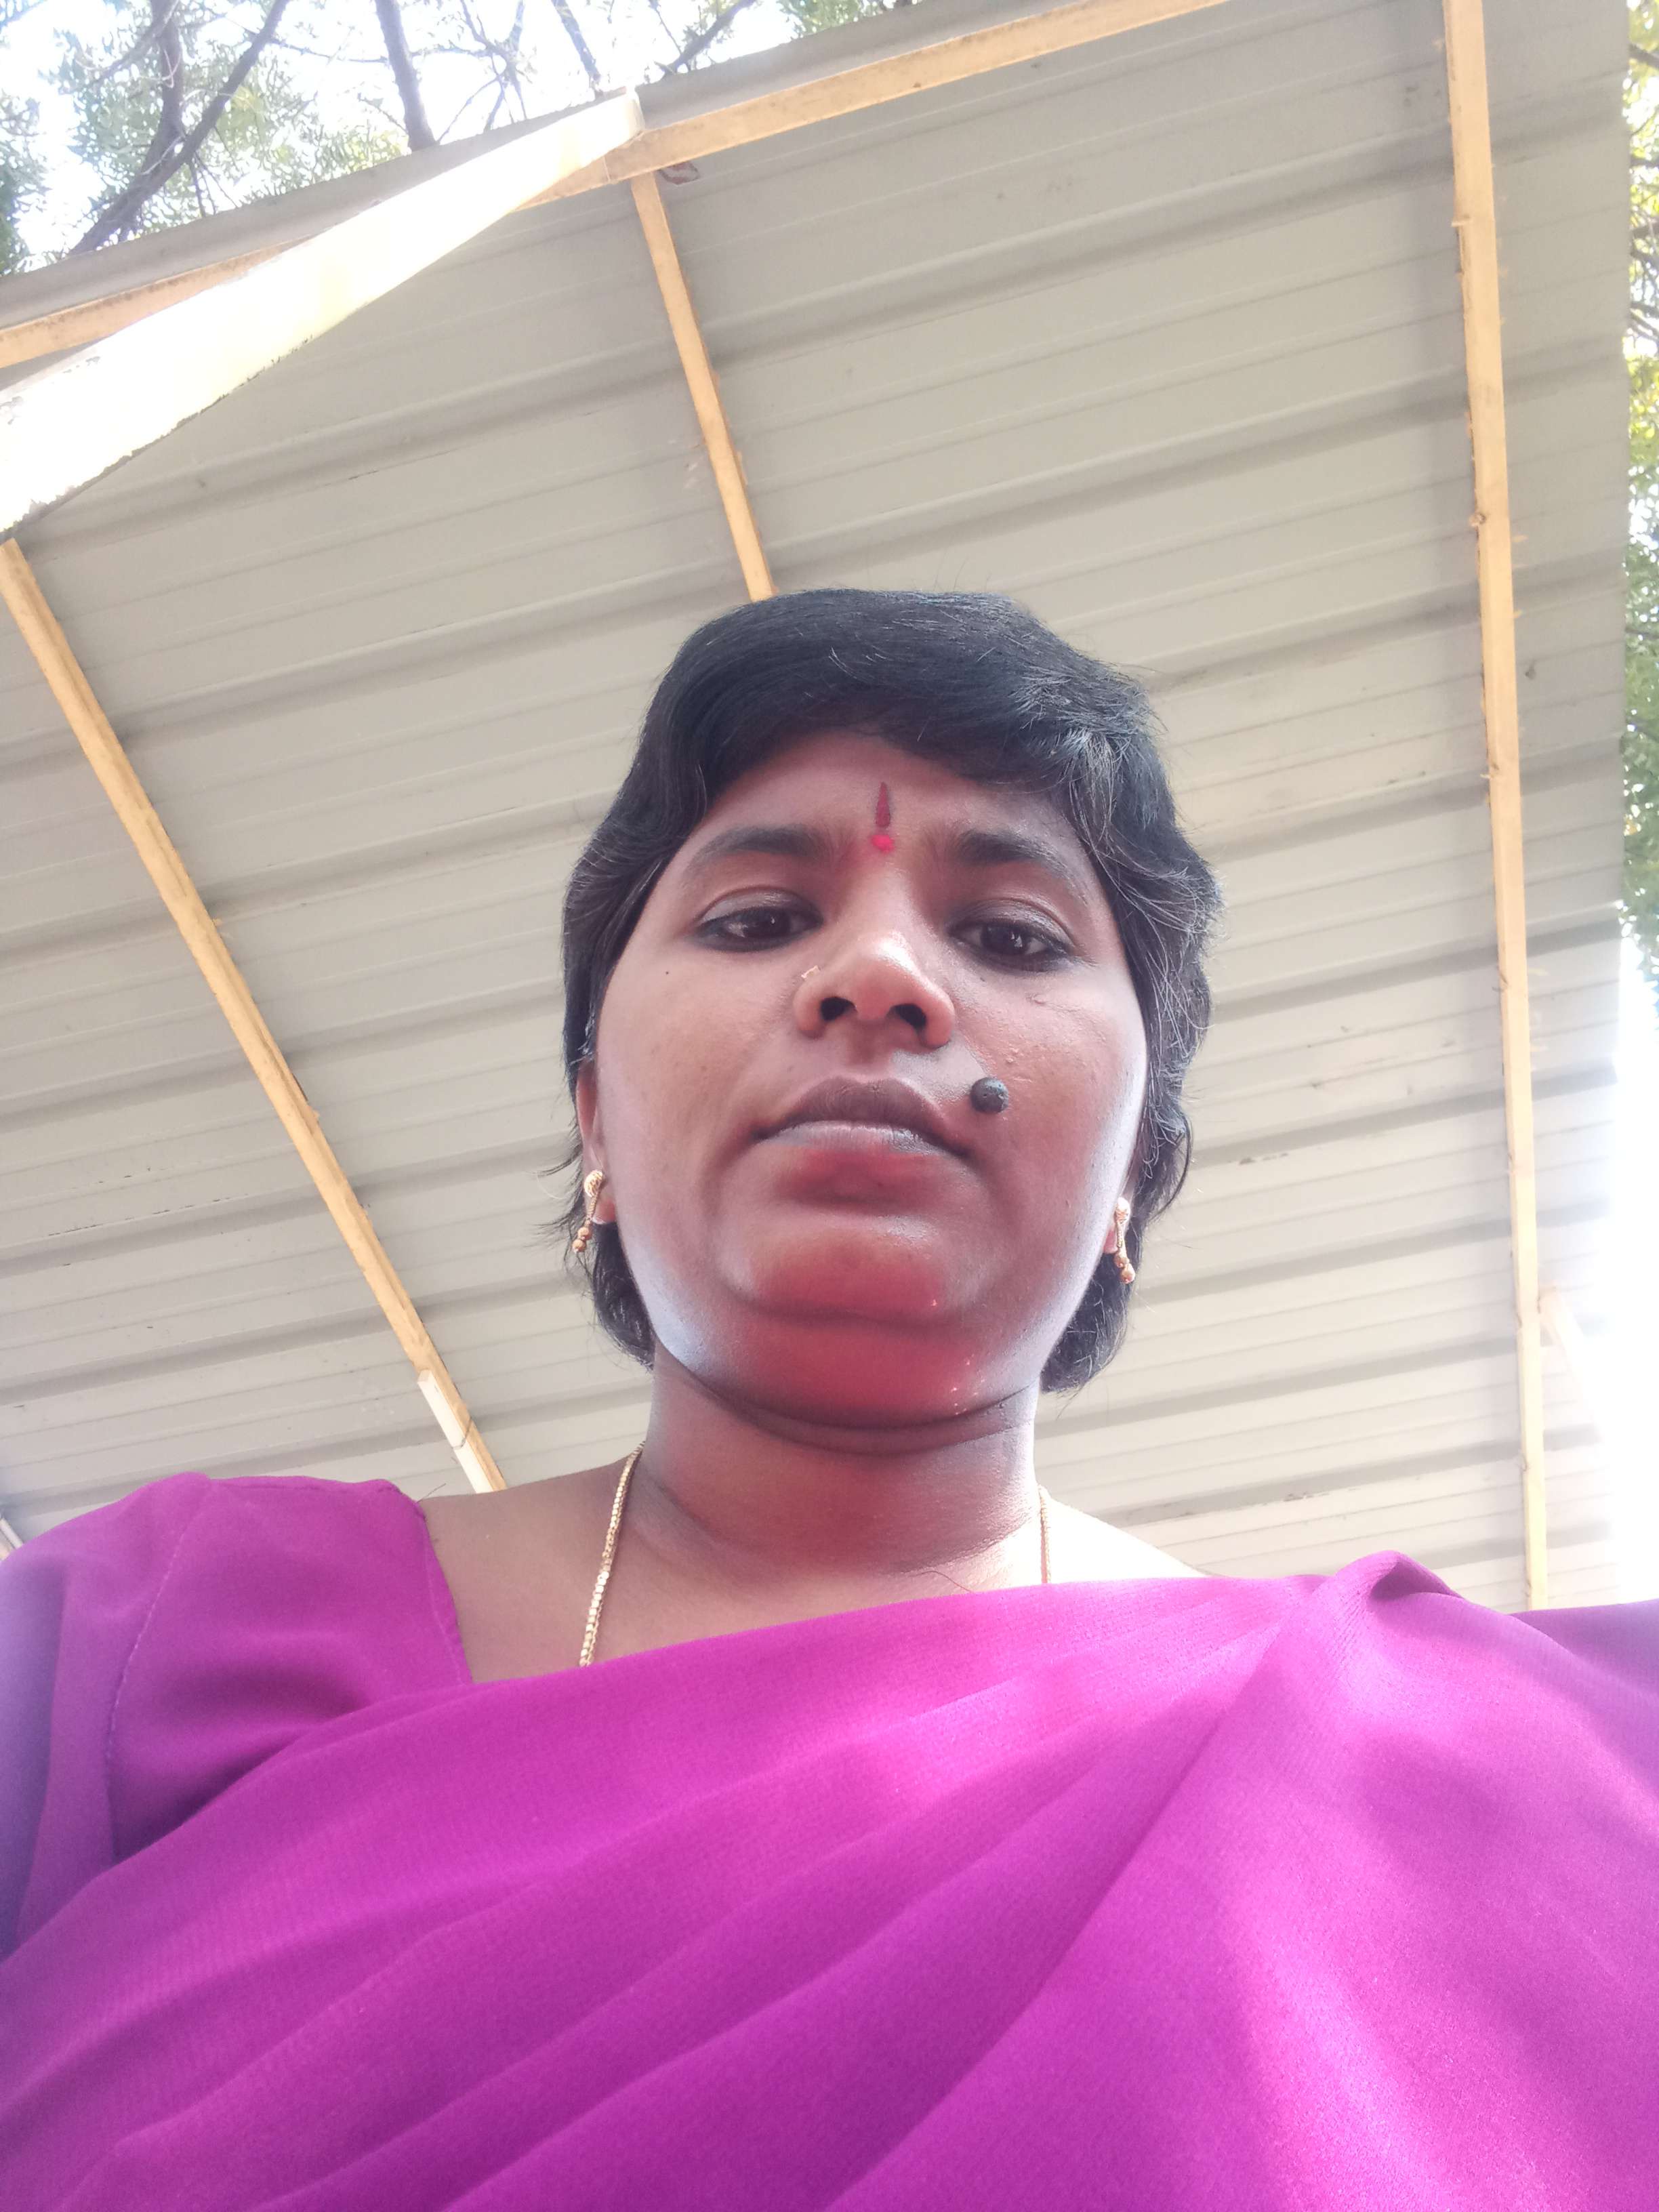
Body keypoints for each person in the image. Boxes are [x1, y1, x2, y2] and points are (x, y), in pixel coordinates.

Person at [2, 589, 1656, 2209]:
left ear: (1133, 1172)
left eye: (1010, 936)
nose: (875, 974)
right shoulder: (132, 1643)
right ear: (594, 1115)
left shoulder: (1528, 1771)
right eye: (754, 920)